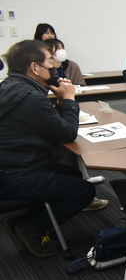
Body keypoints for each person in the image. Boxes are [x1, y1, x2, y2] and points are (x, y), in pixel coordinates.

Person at [0, 40, 102, 258]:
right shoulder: (29, 97)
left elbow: (47, 124)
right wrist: (69, 99)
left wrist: (60, 102)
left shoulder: (10, 88)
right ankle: (32, 229)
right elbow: (67, 133)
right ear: (35, 67)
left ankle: (28, 218)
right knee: (84, 190)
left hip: (10, 167)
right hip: (15, 176)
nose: (53, 67)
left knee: (71, 174)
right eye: (49, 62)